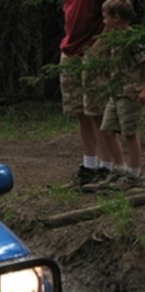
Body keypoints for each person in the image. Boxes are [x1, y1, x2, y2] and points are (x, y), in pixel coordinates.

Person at [84, 0, 145, 191]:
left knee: (129, 133)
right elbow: (95, 56)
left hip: (130, 93)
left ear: (117, 18)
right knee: (107, 130)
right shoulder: (113, 39)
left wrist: (143, 88)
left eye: (105, 18)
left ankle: (134, 174)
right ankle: (119, 170)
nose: (103, 22)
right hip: (114, 93)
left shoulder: (132, 41)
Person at [60, 0, 114, 187]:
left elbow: (115, 10)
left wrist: (100, 43)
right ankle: (89, 166)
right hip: (70, 50)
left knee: (98, 110)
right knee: (80, 111)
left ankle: (106, 167)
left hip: (93, 50)